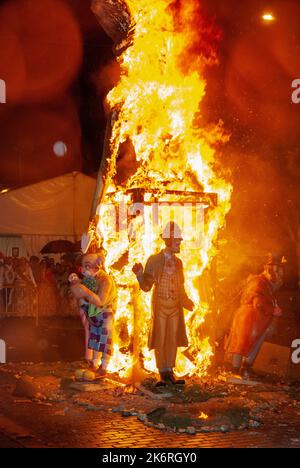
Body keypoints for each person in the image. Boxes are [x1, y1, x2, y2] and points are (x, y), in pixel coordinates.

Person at [132, 222, 194, 387]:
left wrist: (186, 300)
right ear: (168, 240)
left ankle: (169, 371)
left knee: (172, 339)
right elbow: (146, 287)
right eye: (177, 240)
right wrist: (139, 275)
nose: (179, 243)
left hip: (175, 307)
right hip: (160, 306)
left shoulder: (179, 263)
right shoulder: (155, 260)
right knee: (160, 338)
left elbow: (181, 286)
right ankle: (162, 372)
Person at [225, 253, 285, 379]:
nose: (279, 276)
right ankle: (235, 371)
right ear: (271, 270)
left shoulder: (266, 284)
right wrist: (273, 310)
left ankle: (246, 368)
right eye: (278, 272)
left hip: (257, 319)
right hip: (249, 317)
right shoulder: (259, 282)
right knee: (242, 343)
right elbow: (258, 302)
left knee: (254, 343)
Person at [70, 252, 116, 378]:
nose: (83, 270)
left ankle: (104, 366)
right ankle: (94, 364)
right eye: (83, 266)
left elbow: (101, 301)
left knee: (105, 342)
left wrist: (86, 292)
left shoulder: (105, 279)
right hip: (93, 315)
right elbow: (79, 293)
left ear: (97, 266)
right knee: (95, 341)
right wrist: (75, 283)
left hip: (105, 315)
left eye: (87, 266)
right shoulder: (90, 279)